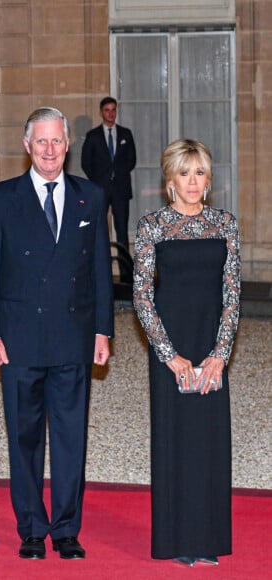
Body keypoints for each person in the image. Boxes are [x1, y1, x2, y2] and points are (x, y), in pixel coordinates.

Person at [0, 107, 114, 560]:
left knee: (72, 438)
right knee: (24, 437)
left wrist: (102, 329)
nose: (50, 150)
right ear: (26, 145)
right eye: (41, 142)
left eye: (57, 141)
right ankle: (32, 528)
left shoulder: (90, 197)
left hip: (73, 336)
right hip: (18, 339)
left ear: (68, 145)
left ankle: (67, 529)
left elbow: (99, 268)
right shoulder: (0, 198)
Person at [132, 139, 240, 566]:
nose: (193, 182)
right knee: (175, 439)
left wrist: (219, 354)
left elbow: (233, 295)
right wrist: (169, 355)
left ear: (208, 179)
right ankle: (177, 542)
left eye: (199, 173)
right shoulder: (152, 226)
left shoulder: (226, 224)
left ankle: (208, 539)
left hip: (211, 343)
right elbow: (142, 297)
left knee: (209, 441)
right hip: (170, 346)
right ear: (169, 179)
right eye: (184, 173)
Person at [81, 96, 136, 283]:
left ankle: (126, 275)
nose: (110, 114)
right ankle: (101, 273)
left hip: (120, 189)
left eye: (113, 110)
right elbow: (85, 163)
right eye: (107, 110)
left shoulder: (125, 134)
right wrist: (99, 181)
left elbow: (132, 160)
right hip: (101, 190)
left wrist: (117, 174)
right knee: (100, 230)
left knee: (121, 231)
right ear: (101, 112)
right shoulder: (93, 136)